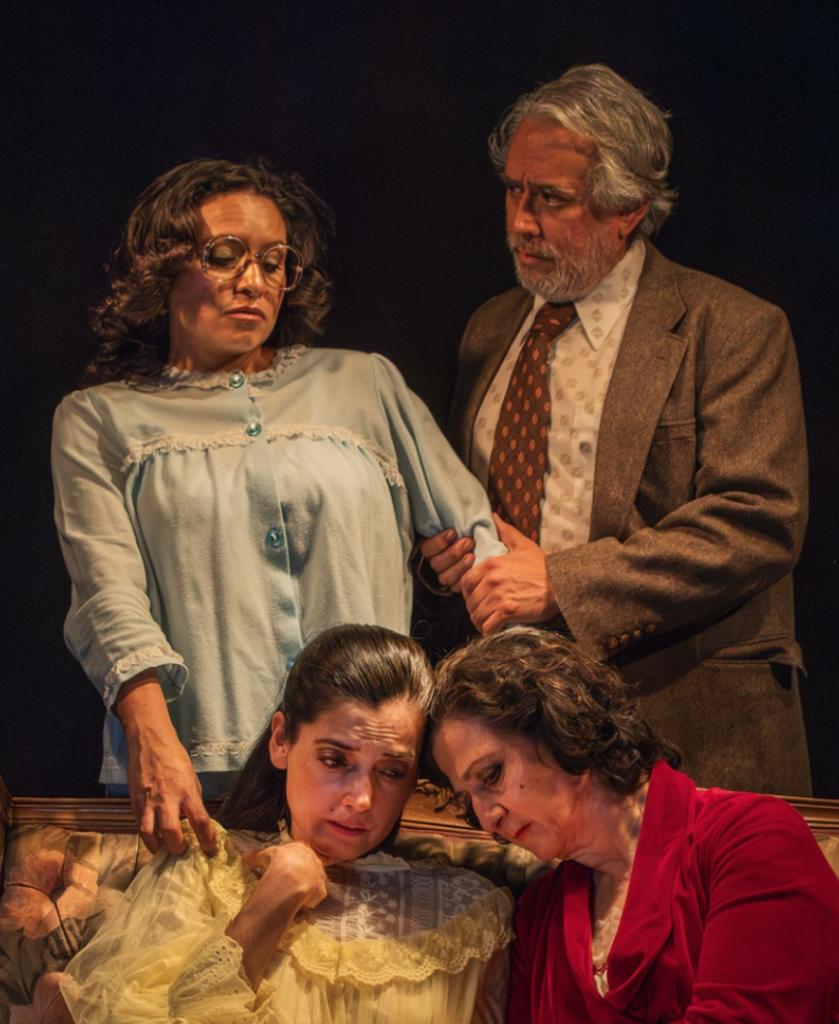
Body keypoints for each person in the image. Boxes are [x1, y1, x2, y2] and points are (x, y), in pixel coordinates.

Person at [51, 157, 506, 857]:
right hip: (196, 776)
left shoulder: (365, 384)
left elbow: (475, 546)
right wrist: (148, 731)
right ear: (162, 265)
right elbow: (105, 593)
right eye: (225, 255)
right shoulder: (99, 419)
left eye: (273, 262)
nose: (254, 281)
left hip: (362, 784)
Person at [419, 63, 810, 795]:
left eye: (551, 198)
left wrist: (562, 583)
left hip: (687, 725)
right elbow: (479, 512)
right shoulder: (490, 328)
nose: (519, 221)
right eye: (513, 189)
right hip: (522, 744)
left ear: (627, 208)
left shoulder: (731, 327)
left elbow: (757, 519)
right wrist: (452, 555)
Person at [23, 625, 513, 1023]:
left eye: (391, 772)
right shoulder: (203, 869)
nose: (362, 799)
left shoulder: (472, 917)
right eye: (335, 760)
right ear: (282, 741)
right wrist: (275, 898)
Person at [429, 628, 839, 1023]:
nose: (487, 817)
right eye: (468, 800)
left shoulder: (752, 838)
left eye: (492, 775)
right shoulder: (539, 912)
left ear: (559, 726)